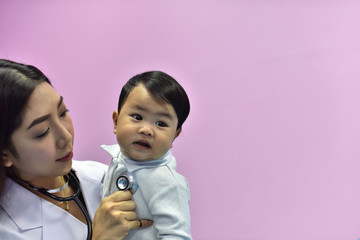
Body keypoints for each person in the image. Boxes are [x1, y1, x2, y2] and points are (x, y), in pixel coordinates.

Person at [0, 59, 152, 240]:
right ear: (4, 154)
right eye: (42, 132)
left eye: (63, 112)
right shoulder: (7, 231)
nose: (66, 137)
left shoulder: (103, 177)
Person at [101, 71, 192, 239]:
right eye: (137, 116)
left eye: (161, 123)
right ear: (116, 121)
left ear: (175, 136)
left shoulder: (169, 183)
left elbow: (177, 236)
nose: (146, 130)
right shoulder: (117, 158)